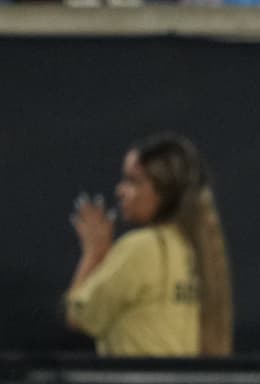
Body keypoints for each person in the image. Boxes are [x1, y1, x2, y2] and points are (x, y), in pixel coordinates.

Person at [64, 132, 233, 357]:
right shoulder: (195, 249)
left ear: (163, 191)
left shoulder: (141, 248)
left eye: (132, 181)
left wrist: (94, 253)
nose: (120, 190)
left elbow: (79, 316)